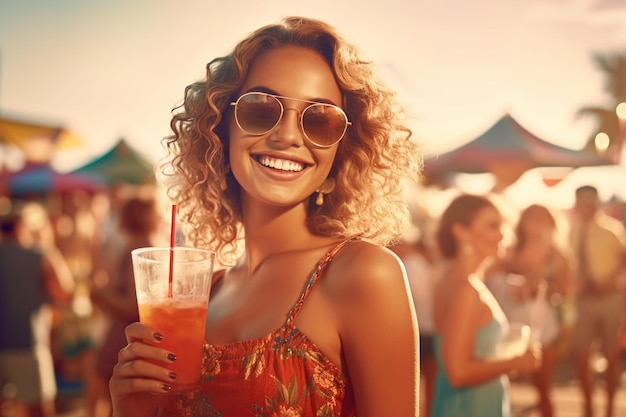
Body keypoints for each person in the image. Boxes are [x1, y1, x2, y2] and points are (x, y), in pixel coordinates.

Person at [109, 16, 421, 417]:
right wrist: (130, 409)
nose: (288, 136)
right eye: (260, 109)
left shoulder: (363, 274)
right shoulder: (205, 295)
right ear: (220, 129)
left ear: (341, 150)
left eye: (320, 120)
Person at [431, 194, 541, 417]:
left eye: (502, 225)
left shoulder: (450, 279)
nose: (502, 234)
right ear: (461, 231)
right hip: (471, 407)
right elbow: (458, 372)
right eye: (492, 226)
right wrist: (517, 362)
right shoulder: (467, 289)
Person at [487, 204, 573, 417]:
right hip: (512, 322)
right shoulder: (509, 250)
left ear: (551, 224)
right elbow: (492, 276)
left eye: (542, 219)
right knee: (503, 383)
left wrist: (540, 286)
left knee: (543, 386)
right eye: (531, 218)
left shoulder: (558, 255)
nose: (536, 224)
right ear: (522, 223)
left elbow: (564, 289)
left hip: (544, 323)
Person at [0, 202, 74, 417]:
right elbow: (65, 292)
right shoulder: (39, 255)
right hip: (27, 342)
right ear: (24, 226)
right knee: (38, 408)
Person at [90, 195, 160, 417]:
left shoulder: (139, 249)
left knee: (118, 402)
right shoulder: (136, 245)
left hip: (127, 336)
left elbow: (134, 306)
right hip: (124, 333)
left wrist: (101, 294)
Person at [569, 185, 626, 417]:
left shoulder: (611, 230)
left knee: (610, 354)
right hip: (583, 301)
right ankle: (588, 407)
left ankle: (610, 407)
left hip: (609, 299)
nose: (584, 206)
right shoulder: (573, 231)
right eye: (580, 201)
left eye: (588, 201)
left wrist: (609, 280)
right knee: (581, 354)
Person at [390, 227, 438, 417]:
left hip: (421, 330)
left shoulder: (412, 266)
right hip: (425, 329)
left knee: (420, 384)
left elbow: (415, 301)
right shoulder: (414, 264)